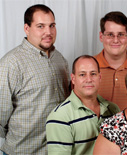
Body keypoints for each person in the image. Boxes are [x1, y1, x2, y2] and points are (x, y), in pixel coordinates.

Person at [0, 4, 70, 154]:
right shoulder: (11, 63)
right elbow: (1, 115)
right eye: (40, 26)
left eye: (52, 25)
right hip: (23, 151)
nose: (48, 32)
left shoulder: (60, 59)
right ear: (27, 28)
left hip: (56, 150)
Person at [46, 55, 120, 155]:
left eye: (93, 74)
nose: (88, 79)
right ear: (73, 78)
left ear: (100, 77)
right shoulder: (60, 117)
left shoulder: (113, 110)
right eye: (82, 74)